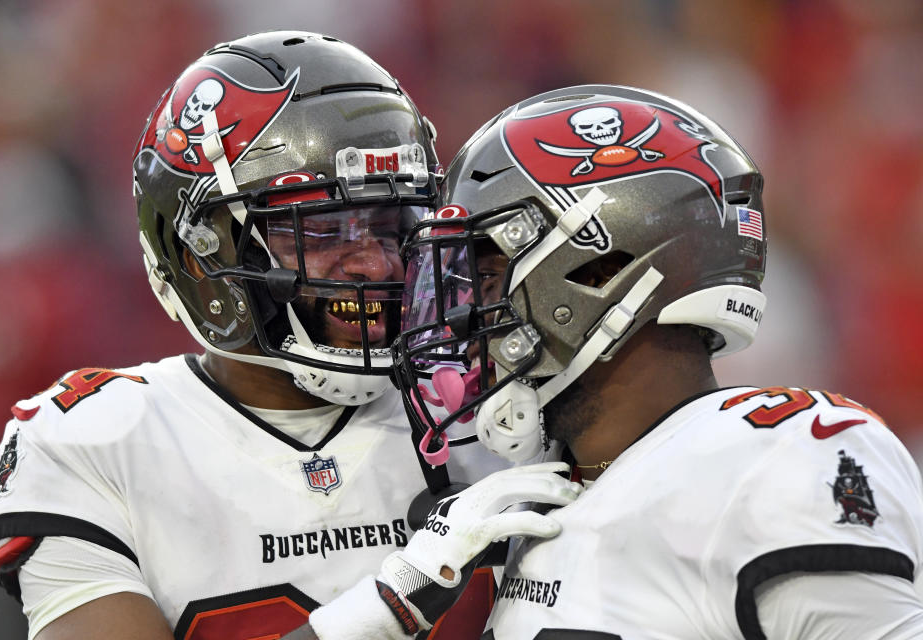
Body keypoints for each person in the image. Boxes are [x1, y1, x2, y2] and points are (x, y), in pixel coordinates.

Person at [0, 32, 571, 640]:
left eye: (390, 223)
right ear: (202, 255)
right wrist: (388, 607)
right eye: (321, 229)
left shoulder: (498, 406)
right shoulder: (94, 442)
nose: (375, 263)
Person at [386, 85, 923, 639]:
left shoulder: (771, 461)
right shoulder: (531, 492)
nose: (463, 320)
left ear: (597, 274)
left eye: (489, 278)